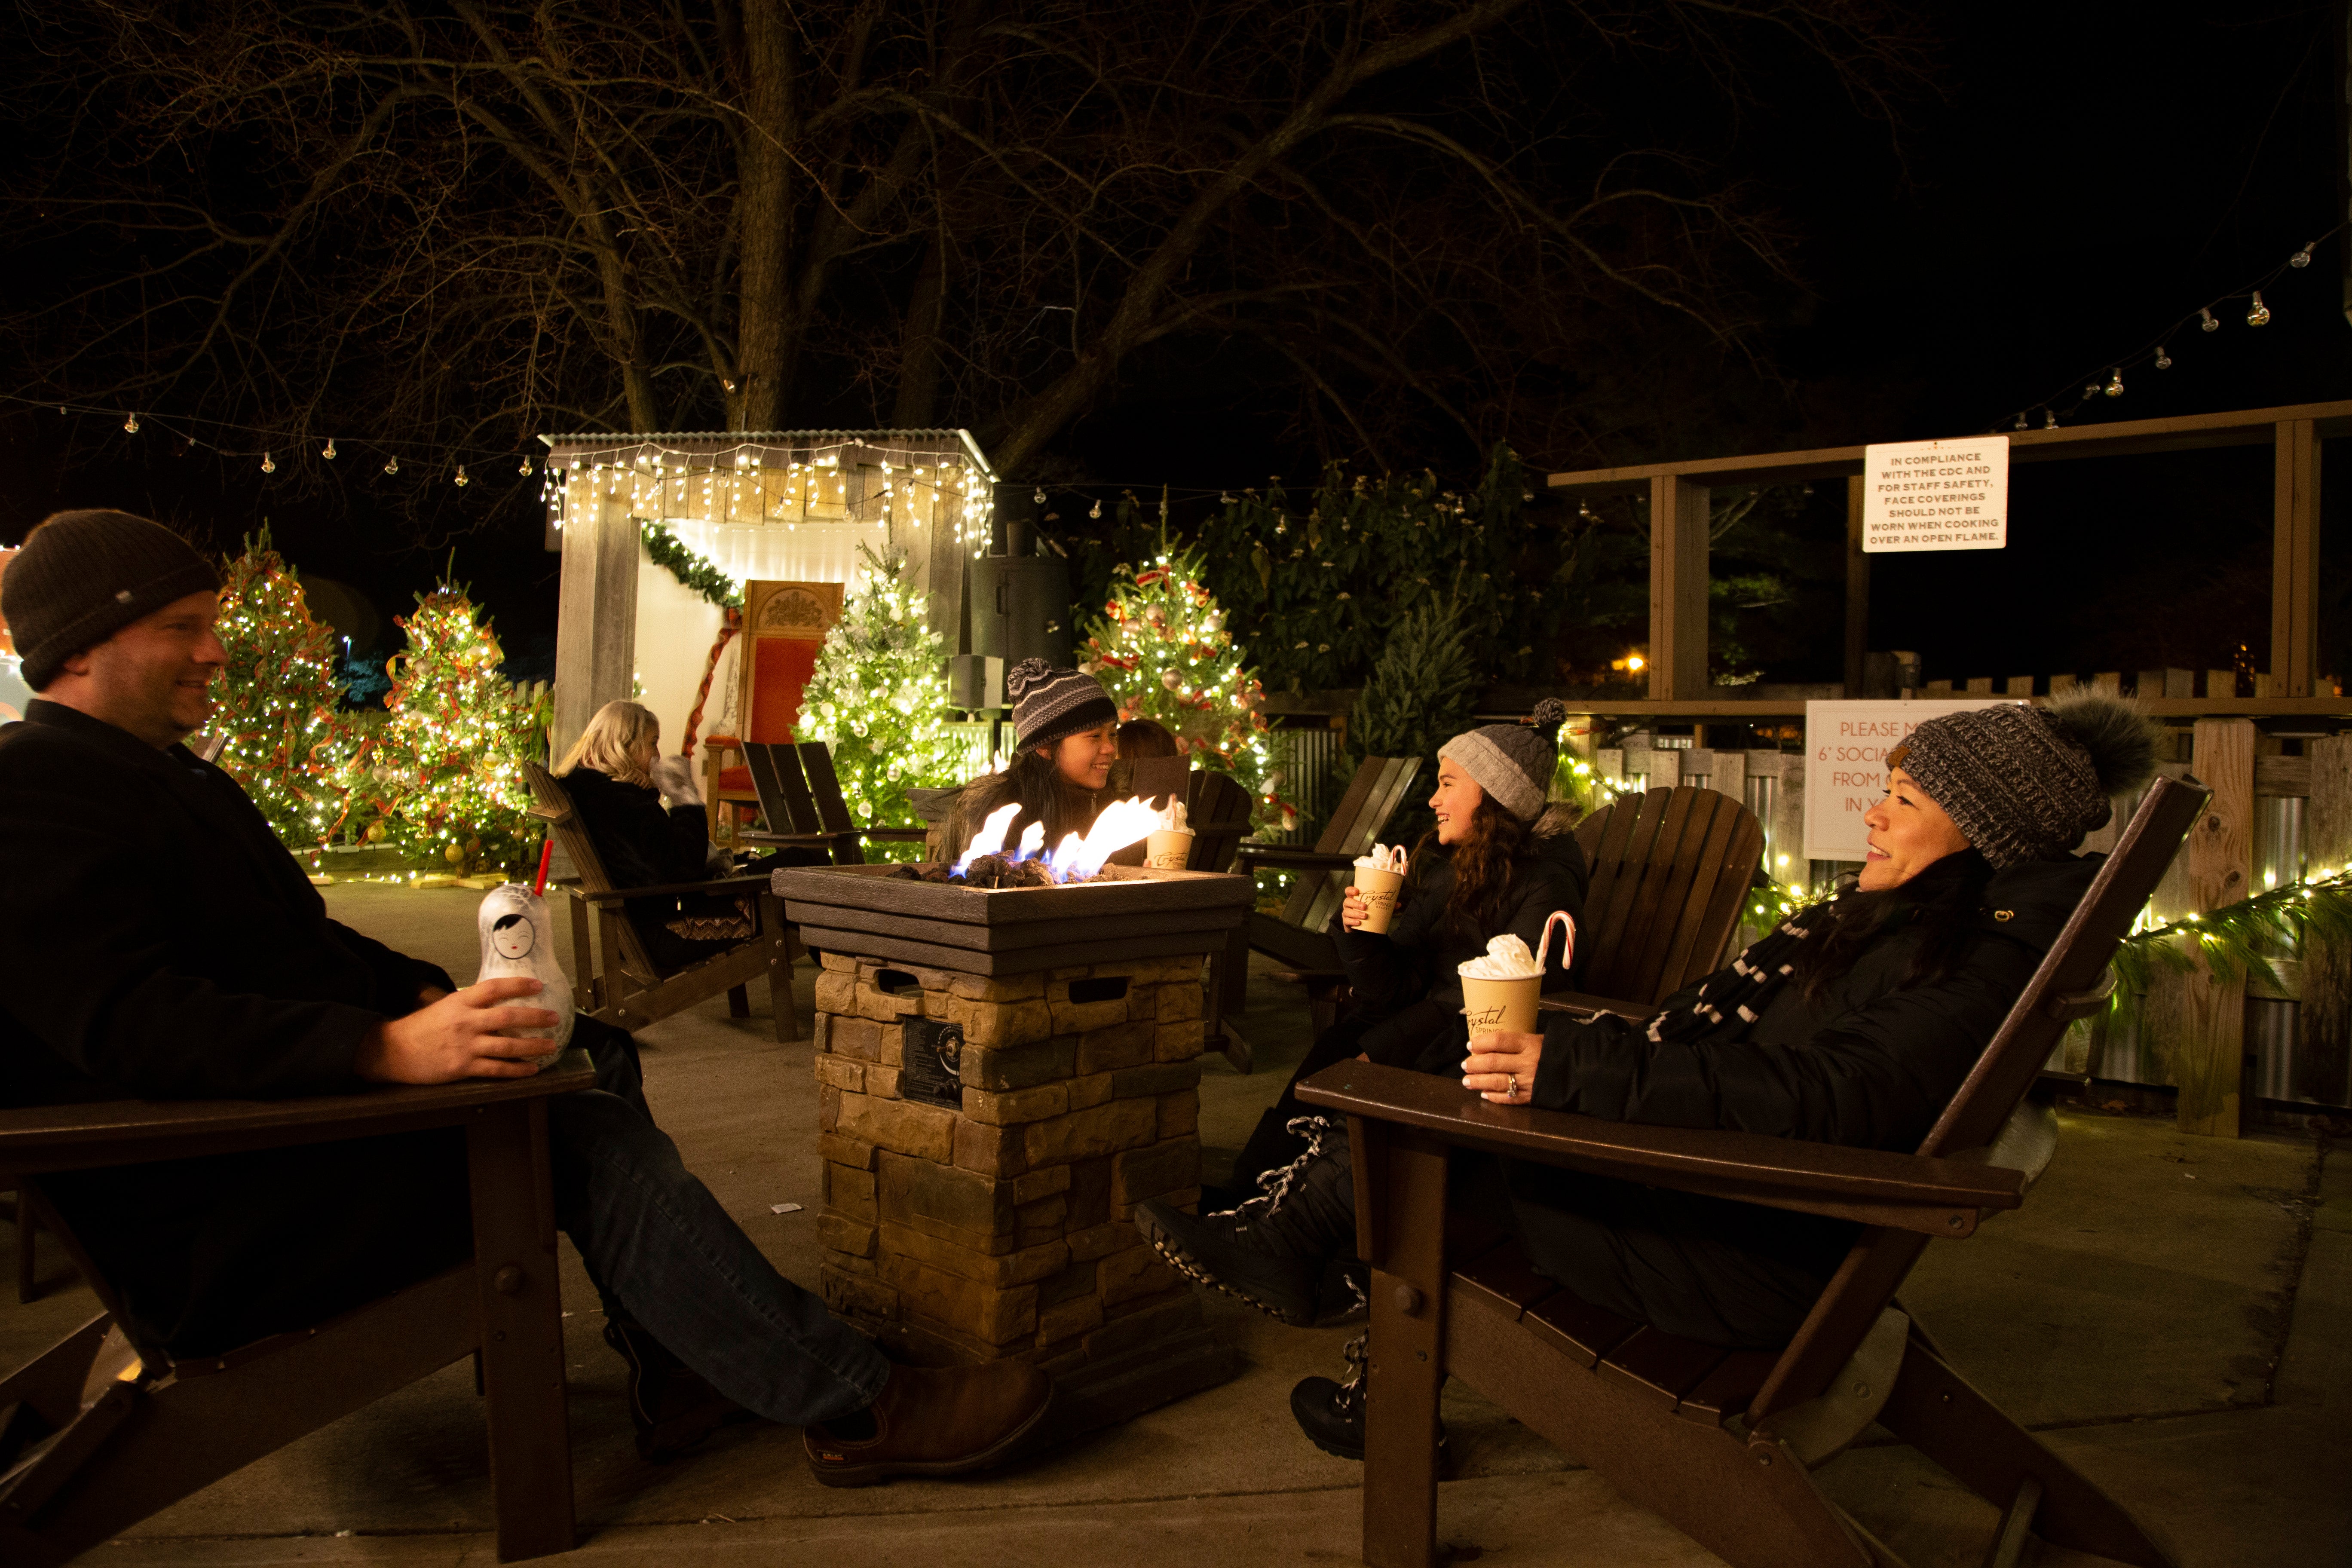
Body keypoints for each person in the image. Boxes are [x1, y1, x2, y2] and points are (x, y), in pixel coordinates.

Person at [0, 510, 1051, 1485]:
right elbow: (130, 1023)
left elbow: (299, 941)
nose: (216, 653)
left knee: (583, 1045)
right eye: (185, 628)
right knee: (575, 1135)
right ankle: (860, 1407)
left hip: (273, 1145)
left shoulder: (165, 775)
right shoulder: (36, 791)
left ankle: (683, 1368)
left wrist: (419, 992)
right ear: (84, 645)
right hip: (224, 1218)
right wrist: (382, 1051)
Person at [1136, 689, 2159, 1461]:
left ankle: (1315, 1282)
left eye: (1900, 798)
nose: (1873, 815)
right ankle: (1291, 1243)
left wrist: (1576, 1063)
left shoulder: (1959, 960)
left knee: (1438, 1121)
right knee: (1449, 1076)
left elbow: (1830, 1097)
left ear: (1978, 833)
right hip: (1740, 1207)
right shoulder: (1928, 935)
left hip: (1731, 1241)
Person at [1211, 701, 1591, 1210]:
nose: (1434, 799)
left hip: (1472, 1050)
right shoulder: (1453, 872)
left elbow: (1479, 1004)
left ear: (1494, 794)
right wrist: (1362, 933)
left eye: (1448, 783)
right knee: (1340, 1047)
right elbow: (1392, 988)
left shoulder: (1547, 886)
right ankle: (1248, 1193)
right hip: (1422, 1028)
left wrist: (1382, 1051)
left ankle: (1283, 1210)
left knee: (1352, 1055)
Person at [553, 698, 823, 973]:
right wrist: (686, 800)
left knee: (796, 863)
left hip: (653, 923)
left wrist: (650, 794)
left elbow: (658, 859)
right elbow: (685, 868)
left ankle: (835, 968)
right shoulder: (620, 803)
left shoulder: (594, 792)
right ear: (625, 744)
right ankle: (840, 970)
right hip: (675, 931)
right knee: (806, 864)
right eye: (652, 742)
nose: (657, 754)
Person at [942, 658, 1119, 860]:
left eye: (1113, 734)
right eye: (1095, 736)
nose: (1110, 748)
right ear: (1045, 746)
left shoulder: (1121, 806)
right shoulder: (1004, 814)